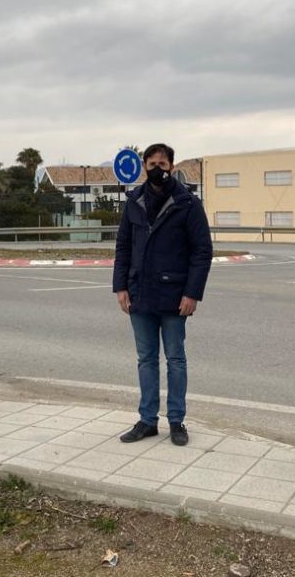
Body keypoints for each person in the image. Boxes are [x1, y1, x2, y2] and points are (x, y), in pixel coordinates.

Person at [113, 143, 213, 446]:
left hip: (174, 294)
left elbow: (202, 251)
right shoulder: (134, 201)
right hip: (140, 293)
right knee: (145, 359)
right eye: (152, 162)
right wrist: (120, 287)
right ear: (145, 165)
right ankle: (147, 420)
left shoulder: (187, 203)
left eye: (163, 162)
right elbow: (123, 248)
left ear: (171, 165)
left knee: (175, 359)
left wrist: (192, 293)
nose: (158, 168)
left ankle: (176, 420)